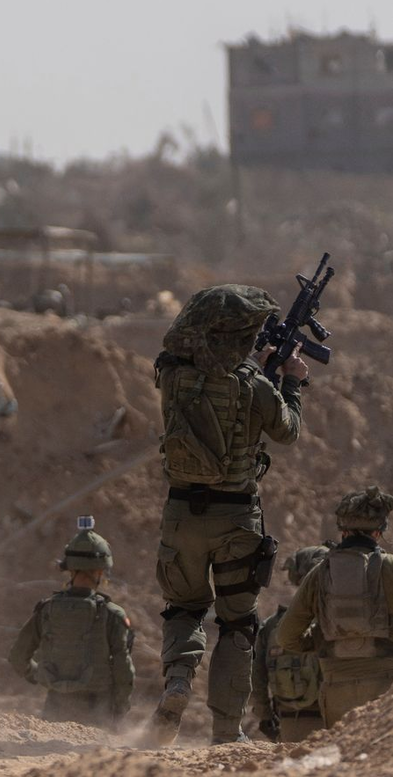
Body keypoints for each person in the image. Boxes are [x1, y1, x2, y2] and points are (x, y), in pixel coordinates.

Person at [149, 284, 308, 745]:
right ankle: (225, 729)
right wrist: (290, 381)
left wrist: (255, 364)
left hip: (181, 513)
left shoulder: (171, 374)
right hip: (236, 520)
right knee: (237, 622)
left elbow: (212, 383)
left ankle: (178, 682)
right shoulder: (255, 386)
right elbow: (287, 432)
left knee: (183, 608)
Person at [275, 487, 393, 728]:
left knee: (342, 751)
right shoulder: (389, 566)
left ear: (343, 531)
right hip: (385, 687)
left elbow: (286, 636)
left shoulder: (319, 573)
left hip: (335, 688)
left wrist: (320, 638)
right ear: (378, 532)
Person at [8, 518, 134, 727]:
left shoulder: (47, 609)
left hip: (55, 710)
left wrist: (41, 676)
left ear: (69, 569)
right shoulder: (112, 615)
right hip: (99, 713)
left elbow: (18, 657)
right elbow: (123, 669)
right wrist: (120, 710)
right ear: (100, 571)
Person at [251, 545, 330, 742]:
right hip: (339, 722)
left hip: (290, 723)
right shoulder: (339, 621)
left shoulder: (272, 626)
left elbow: (256, 677)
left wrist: (265, 716)